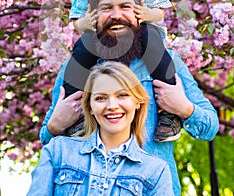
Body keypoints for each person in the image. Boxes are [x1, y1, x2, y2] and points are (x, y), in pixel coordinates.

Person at [40, 0, 219, 196]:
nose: (117, 15)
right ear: (92, 15)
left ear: (140, 11)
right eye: (106, 8)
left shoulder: (166, 61)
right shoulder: (75, 68)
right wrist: (55, 125)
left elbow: (210, 127)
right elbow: (46, 140)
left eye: (125, 6)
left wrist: (184, 108)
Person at [65, 0, 180, 142]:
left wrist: (147, 14)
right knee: (80, 52)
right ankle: (73, 112)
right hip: (102, 35)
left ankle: (169, 112)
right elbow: (78, 20)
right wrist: (86, 23)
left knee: (154, 44)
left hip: (142, 31)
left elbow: (160, 11)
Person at [27, 62, 173, 196]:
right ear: (90, 107)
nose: (112, 106)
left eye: (122, 95)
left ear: (137, 102)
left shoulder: (156, 171)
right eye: (101, 98)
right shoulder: (58, 151)